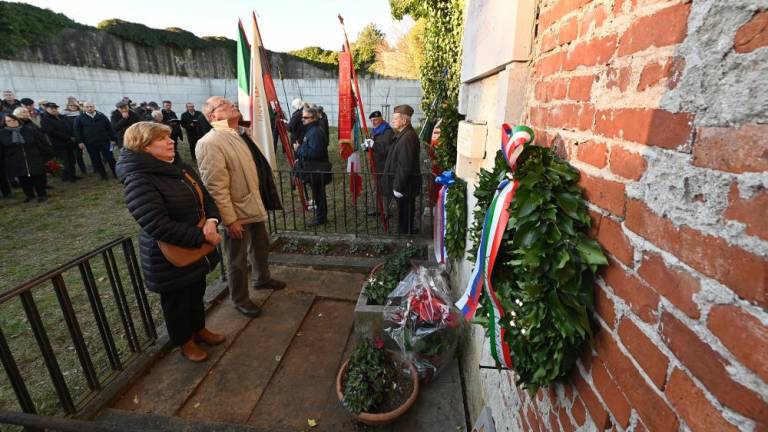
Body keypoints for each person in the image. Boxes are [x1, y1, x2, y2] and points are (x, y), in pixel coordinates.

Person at [116, 121, 224, 362]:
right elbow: (156, 224)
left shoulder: (178, 167)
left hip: (195, 247)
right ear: (143, 146)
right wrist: (202, 236)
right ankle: (184, 342)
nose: (171, 141)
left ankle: (199, 329)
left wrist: (213, 220)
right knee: (176, 302)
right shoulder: (138, 179)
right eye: (162, 139)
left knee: (196, 291)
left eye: (169, 137)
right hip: (168, 255)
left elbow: (205, 196)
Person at [196, 96, 286, 318]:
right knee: (237, 259)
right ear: (213, 116)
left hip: (253, 203)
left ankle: (262, 278)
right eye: (224, 105)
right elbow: (216, 187)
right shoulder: (210, 143)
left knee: (261, 245)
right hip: (236, 212)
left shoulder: (242, 133)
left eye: (230, 102)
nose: (232, 105)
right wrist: (230, 220)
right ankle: (240, 299)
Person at [382, 104, 421, 235]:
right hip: (404, 184)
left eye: (395, 118)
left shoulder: (408, 137)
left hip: (405, 186)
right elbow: (392, 152)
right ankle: (406, 233)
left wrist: (398, 186)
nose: (393, 121)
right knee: (404, 213)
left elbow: (405, 165)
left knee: (405, 214)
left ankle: (405, 238)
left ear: (404, 120)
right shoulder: (403, 134)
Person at [0, 114, 53, 202]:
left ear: (17, 120)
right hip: (16, 160)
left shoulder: (28, 130)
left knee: (38, 177)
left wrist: (46, 154)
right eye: (9, 121)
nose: (12, 122)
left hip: (33, 156)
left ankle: (42, 194)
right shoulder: (2, 134)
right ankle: (29, 195)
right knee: (23, 179)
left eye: (14, 120)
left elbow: (39, 142)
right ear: (5, 123)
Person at [294, 106, 330, 227]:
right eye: (302, 117)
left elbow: (315, 152)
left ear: (313, 118)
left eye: (305, 117)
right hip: (313, 168)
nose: (302, 119)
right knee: (318, 193)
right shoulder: (311, 130)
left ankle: (321, 218)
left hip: (317, 169)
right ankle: (321, 215)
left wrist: (299, 149)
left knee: (319, 194)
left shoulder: (315, 132)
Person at [74, 102, 118, 180]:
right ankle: (103, 175)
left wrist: (113, 138)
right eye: (87, 107)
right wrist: (80, 141)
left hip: (105, 142)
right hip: (90, 143)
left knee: (110, 158)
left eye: (91, 106)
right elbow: (77, 131)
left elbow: (109, 128)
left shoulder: (101, 116)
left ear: (94, 107)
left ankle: (116, 173)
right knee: (96, 160)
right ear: (83, 108)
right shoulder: (79, 118)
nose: (89, 108)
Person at [41, 102, 80, 183]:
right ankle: (68, 177)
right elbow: (52, 132)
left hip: (69, 142)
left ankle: (72, 175)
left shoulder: (61, 116)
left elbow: (70, 126)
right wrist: (68, 137)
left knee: (72, 159)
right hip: (59, 144)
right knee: (65, 161)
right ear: (46, 109)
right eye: (52, 108)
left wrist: (73, 136)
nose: (54, 109)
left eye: (55, 108)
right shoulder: (45, 120)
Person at [63, 99, 88, 176]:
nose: (73, 107)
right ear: (68, 106)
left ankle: (83, 169)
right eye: (71, 106)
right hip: (70, 138)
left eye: (74, 105)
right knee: (72, 156)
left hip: (80, 137)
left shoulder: (80, 114)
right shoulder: (65, 115)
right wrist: (70, 136)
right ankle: (71, 172)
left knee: (79, 155)